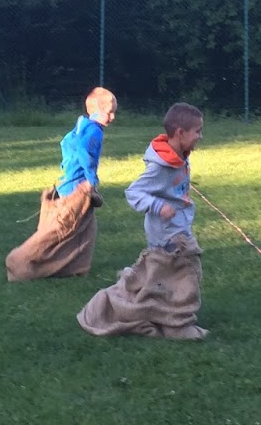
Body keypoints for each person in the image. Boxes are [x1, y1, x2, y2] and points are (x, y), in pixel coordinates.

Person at [78, 102, 207, 340]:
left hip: (178, 227)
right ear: (180, 133)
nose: (200, 136)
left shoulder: (178, 156)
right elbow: (134, 192)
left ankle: (154, 311)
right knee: (187, 273)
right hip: (168, 233)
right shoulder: (160, 167)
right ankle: (178, 326)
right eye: (197, 131)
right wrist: (159, 206)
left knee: (163, 278)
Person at [5, 87, 117, 281]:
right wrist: (91, 178)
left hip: (67, 183)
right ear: (95, 111)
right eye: (109, 112)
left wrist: (67, 165)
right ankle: (20, 261)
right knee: (66, 227)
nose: (112, 117)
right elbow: (84, 151)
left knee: (85, 226)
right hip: (77, 187)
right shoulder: (94, 131)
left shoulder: (82, 125)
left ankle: (74, 265)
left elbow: (65, 142)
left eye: (114, 112)